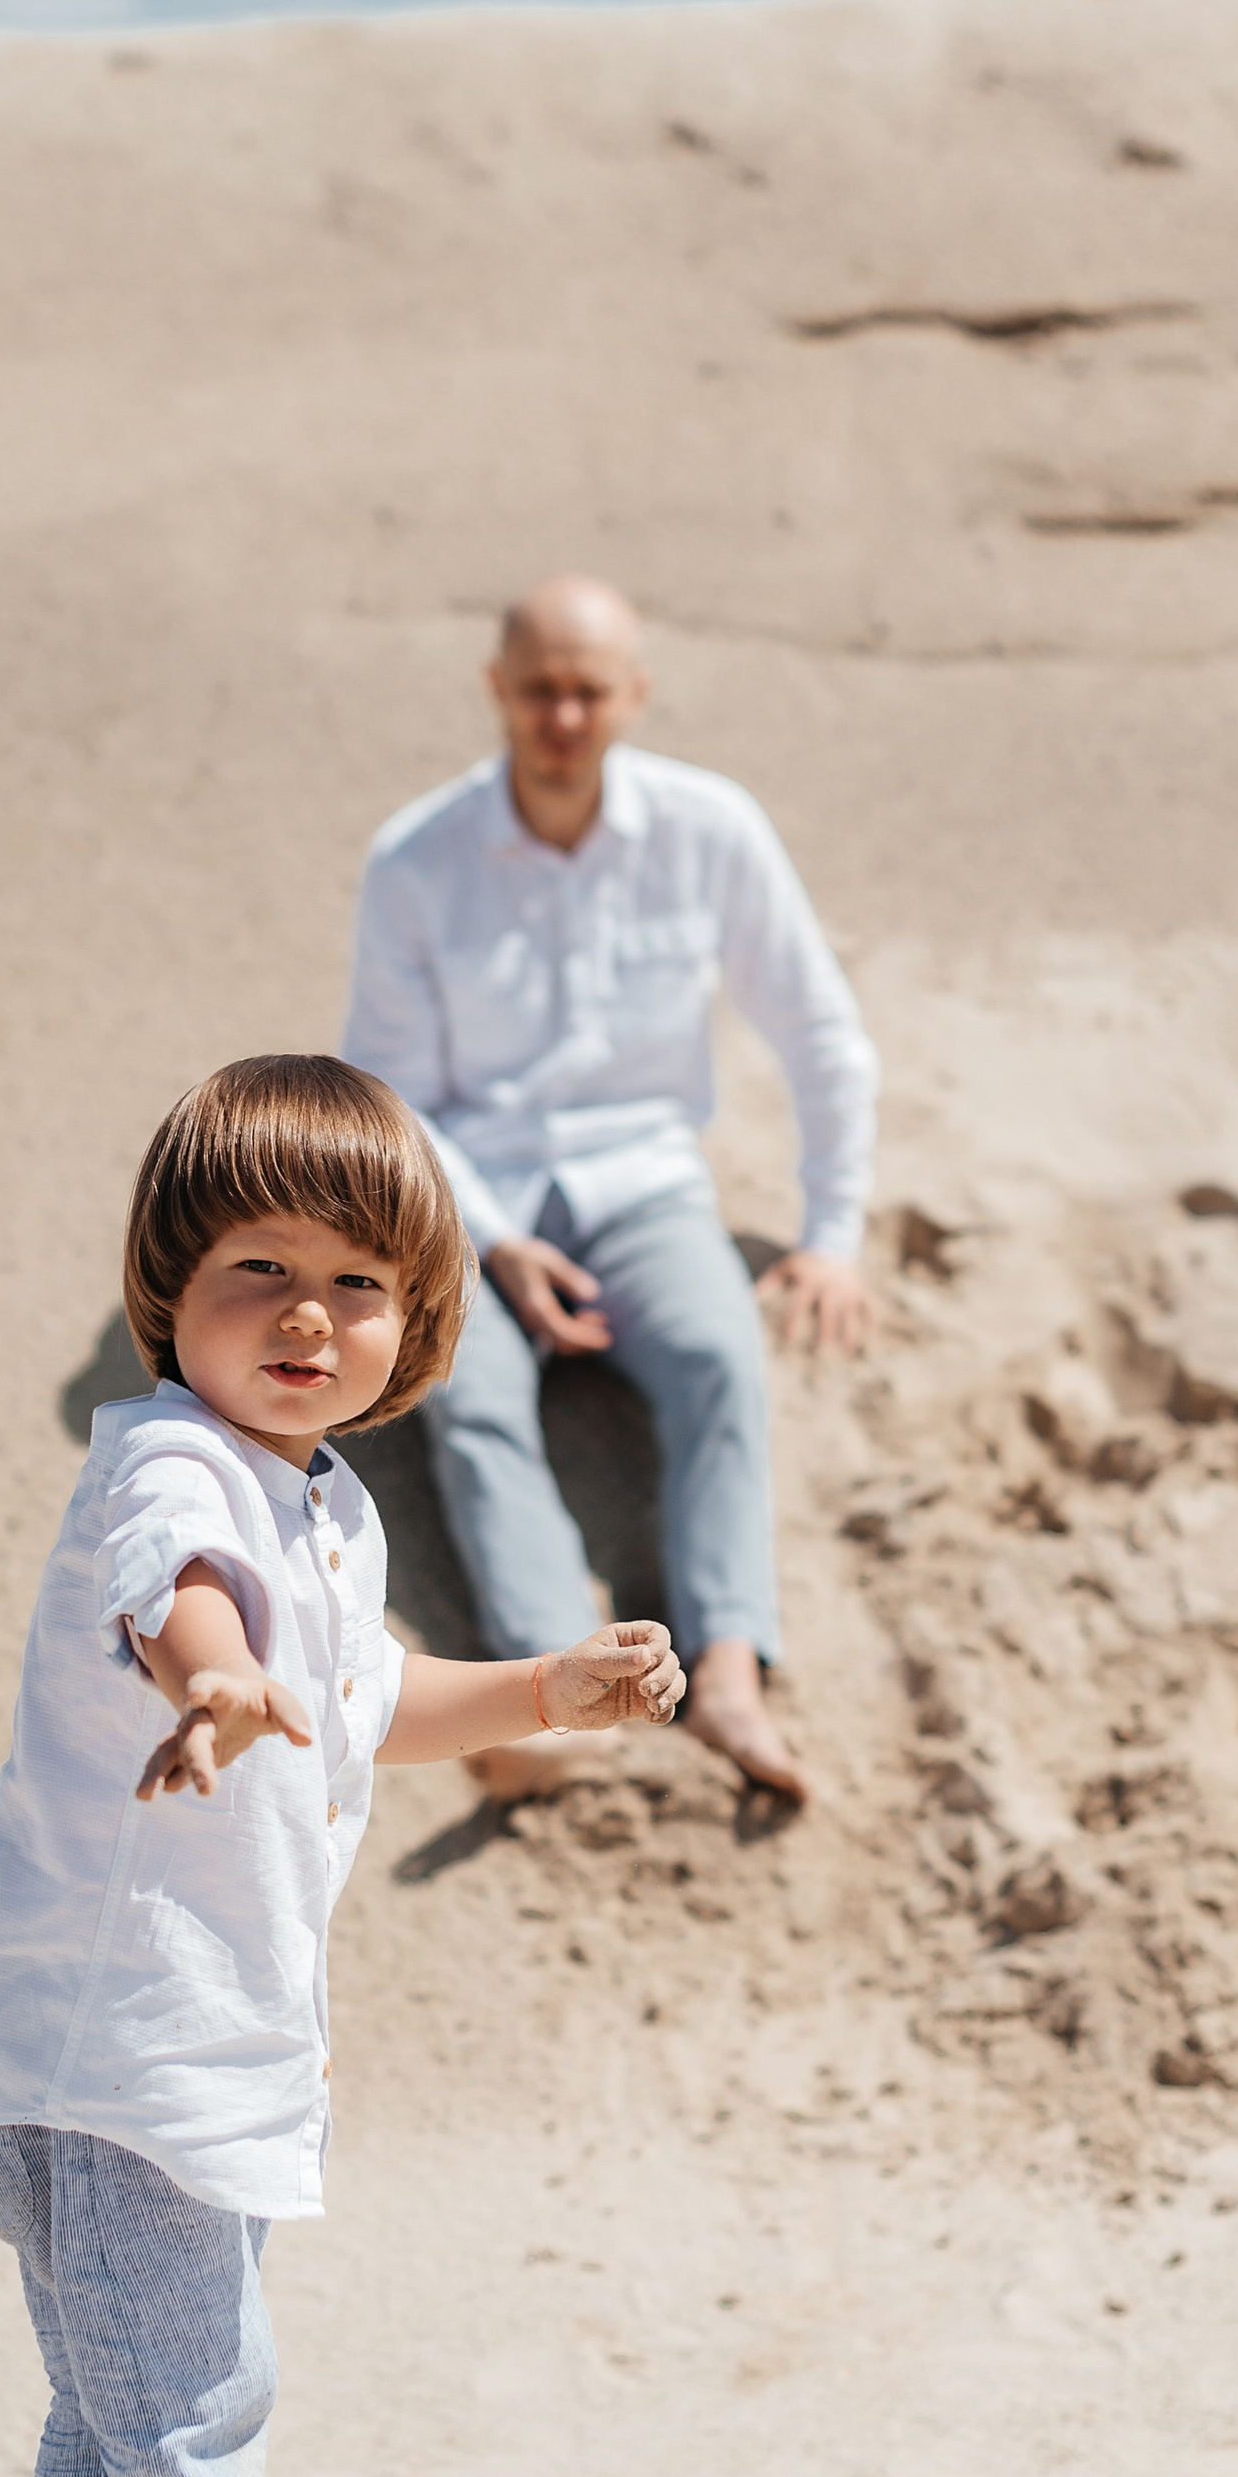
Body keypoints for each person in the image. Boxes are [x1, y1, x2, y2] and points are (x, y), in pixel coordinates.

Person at [0, 1056, 684, 2477]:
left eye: (357, 1281)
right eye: (258, 1269)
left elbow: (371, 1695)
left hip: (115, 2045)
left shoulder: (317, 1503)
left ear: (418, 1319)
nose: (309, 1315)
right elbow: (181, 1593)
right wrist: (218, 1677)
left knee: (113, 2411)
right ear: (169, 1287)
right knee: (196, 2414)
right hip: (130, 2058)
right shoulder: (176, 1461)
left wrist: (551, 1686)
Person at [339, 575, 877, 1805]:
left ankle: (728, 1677)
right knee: (469, 1401)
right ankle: (562, 1695)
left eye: (589, 691)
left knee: (720, 1359)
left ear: (634, 694)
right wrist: (495, 1241)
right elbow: (391, 1091)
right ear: (497, 690)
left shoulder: (712, 829)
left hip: (645, 1179)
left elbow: (821, 1033)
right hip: (472, 1192)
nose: (563, 718)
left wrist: (832, 1232)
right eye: (539, 690)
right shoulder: (416, 859)